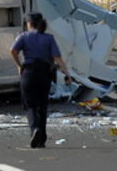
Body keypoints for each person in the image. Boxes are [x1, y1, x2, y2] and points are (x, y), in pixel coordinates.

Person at [10, 12, 72, 148]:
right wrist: (67, 75)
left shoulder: (24, 37)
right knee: (42, 106)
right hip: (44, 75)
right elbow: (57, 58)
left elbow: (13, 51)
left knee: (29, 105)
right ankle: (42, 139)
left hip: (29, 73)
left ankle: (34, 130)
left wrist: (19, 65)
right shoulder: (49, 38)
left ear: (29, 23)